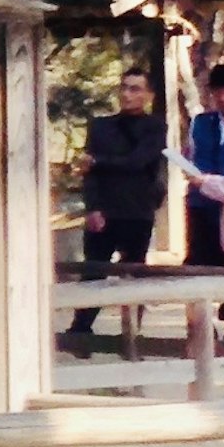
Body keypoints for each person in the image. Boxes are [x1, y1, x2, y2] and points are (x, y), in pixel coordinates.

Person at [69, 67, 170, 354]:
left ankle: (132, 338)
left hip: (137, 212)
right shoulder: (100, 126)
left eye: (136, 88)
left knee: (134, 273)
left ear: (148, 95)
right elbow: (89, 176)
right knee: (93, 271)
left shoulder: (155, 128)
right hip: (105, 211)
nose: (128, 94)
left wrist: (98, 161)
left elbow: (138, 161)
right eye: (124, 87)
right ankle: (80, 333)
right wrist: (93, 208)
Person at [188, 65, 224, 269]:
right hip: (202, 209)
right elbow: (194, 156)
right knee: (200, 269)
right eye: (218, 92)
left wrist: (209, 182)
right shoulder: (201, 123)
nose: (223, 98)